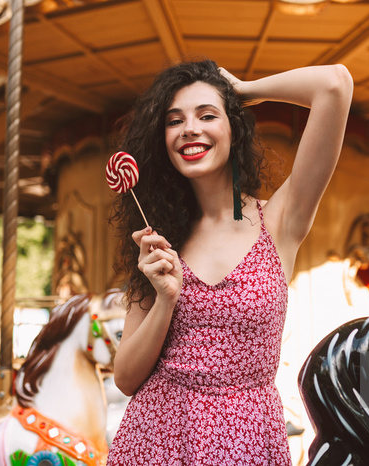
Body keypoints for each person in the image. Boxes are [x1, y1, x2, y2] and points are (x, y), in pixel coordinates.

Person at [107, 59, 353, 465]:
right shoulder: (158, 237)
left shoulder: (279, 221)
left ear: (233, 128)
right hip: (156, 441)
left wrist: (242, 91)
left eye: (207, 115)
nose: (189, 128)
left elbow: (335, 84)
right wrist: (166, 300)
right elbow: (126, 378)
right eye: (174, 120)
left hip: (250, 442)